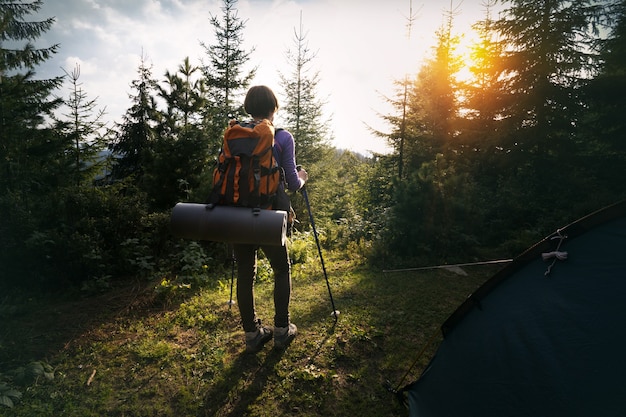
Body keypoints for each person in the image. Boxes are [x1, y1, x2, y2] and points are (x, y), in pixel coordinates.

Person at [232, 85, 308, 353]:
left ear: (248, 107)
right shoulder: (283, 137)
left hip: (237, 214)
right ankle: (281, 329)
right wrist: (303, 178)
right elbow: (292, 182)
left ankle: (252, 334)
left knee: (245, 272)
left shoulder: (235, 134)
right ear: (273, 108)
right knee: (281, 268)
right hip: (268, 214)